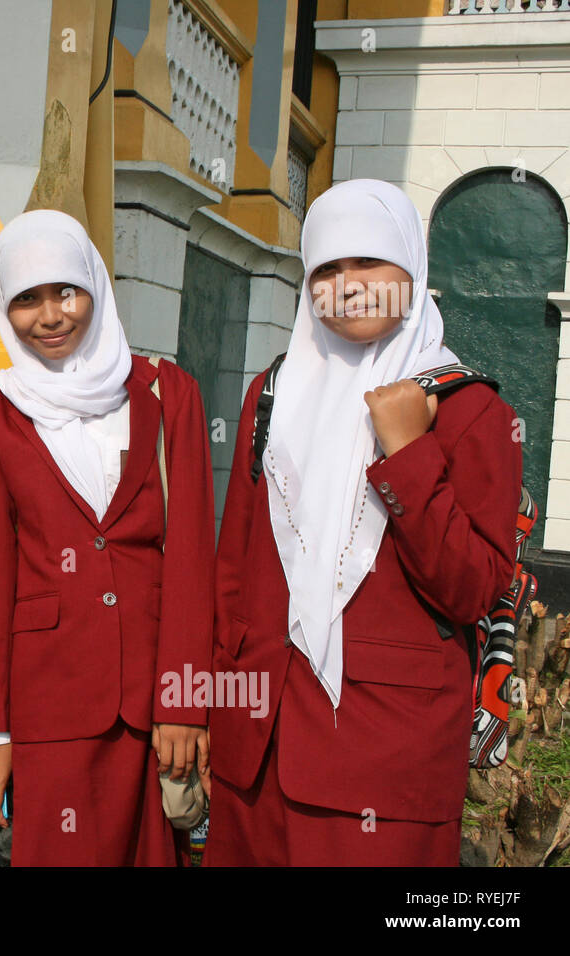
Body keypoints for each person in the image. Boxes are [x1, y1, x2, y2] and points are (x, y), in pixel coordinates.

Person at [204, 179, 522, 866]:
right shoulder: (272, 393)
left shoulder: (469, 410)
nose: (347, 284)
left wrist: (407, 452)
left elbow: (471, 591)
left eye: (369, 264)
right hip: (254, 754)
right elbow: (237, 569)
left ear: (413, 267)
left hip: (382, 759)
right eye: (325, 269)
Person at [0, 209, 214, 866]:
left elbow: (190, 556)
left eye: (64, 292)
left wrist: (183, 698)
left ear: (94, 284)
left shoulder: (164, 391)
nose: (50, 315)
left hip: (152, 702)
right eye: (26, 300)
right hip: (48, 702)